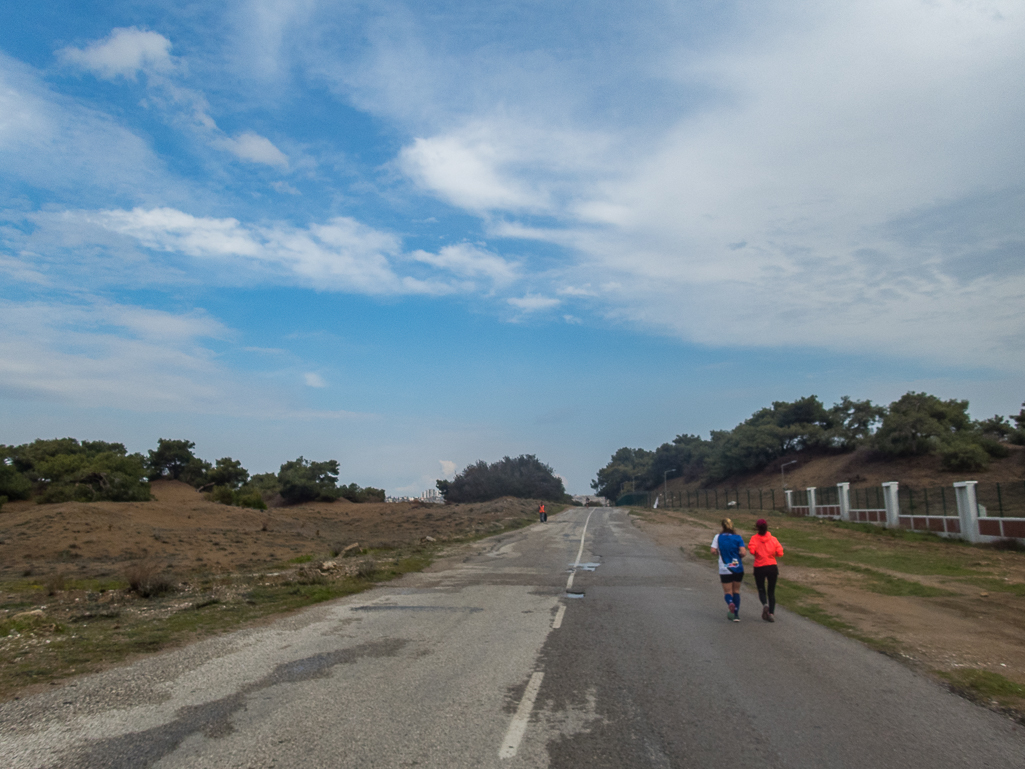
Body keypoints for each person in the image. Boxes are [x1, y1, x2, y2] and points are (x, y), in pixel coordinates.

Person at [711, 518, 748, 621]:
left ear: (722, 526)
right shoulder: (738, 537)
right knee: (736, 591)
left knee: (728, 591)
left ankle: (730, 602)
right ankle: (736, 614)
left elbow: (713, 550)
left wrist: (718, 553)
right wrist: (739, 557)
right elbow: (743, 552)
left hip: (725, 567)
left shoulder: (718, 537)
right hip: (737, 566)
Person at [748, 518, 784, 622]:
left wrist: (758, 553)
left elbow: (752, 551)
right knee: (771, 591)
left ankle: (765, 604)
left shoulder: (754, 539)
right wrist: (772, 555)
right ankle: (771, 613)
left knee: (761, 589)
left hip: (759, 567)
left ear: (757, 528)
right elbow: (780, 553)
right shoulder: (773, 539)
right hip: (772, 566)